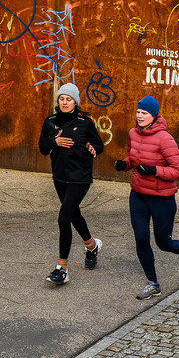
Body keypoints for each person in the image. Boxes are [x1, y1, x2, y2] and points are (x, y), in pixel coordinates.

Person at [115, 95, 179, 299]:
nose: (139, 116)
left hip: (161, 199)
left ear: (154, 116)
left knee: (163, 242)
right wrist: (125, 164)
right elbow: (133, 157)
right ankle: (153, 283)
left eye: (144, 113)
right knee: (140, 238)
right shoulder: (133, 133)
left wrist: (154, 170)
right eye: (138, 112)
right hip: (138, 195)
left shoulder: (165, 139)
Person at [36, 83, 104, 286]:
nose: (65, 102)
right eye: (62, 99)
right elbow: (42, 148)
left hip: (80, 177)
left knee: (64, 218)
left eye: (69, 99)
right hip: (60, 177)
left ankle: (62, 268)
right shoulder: (50, 122)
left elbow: (99, 144)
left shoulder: (85, 123)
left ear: (75, 102)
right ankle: (92, 246)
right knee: (74, 214)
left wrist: (94, 148)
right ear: (58, 101)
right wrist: (53, 143)